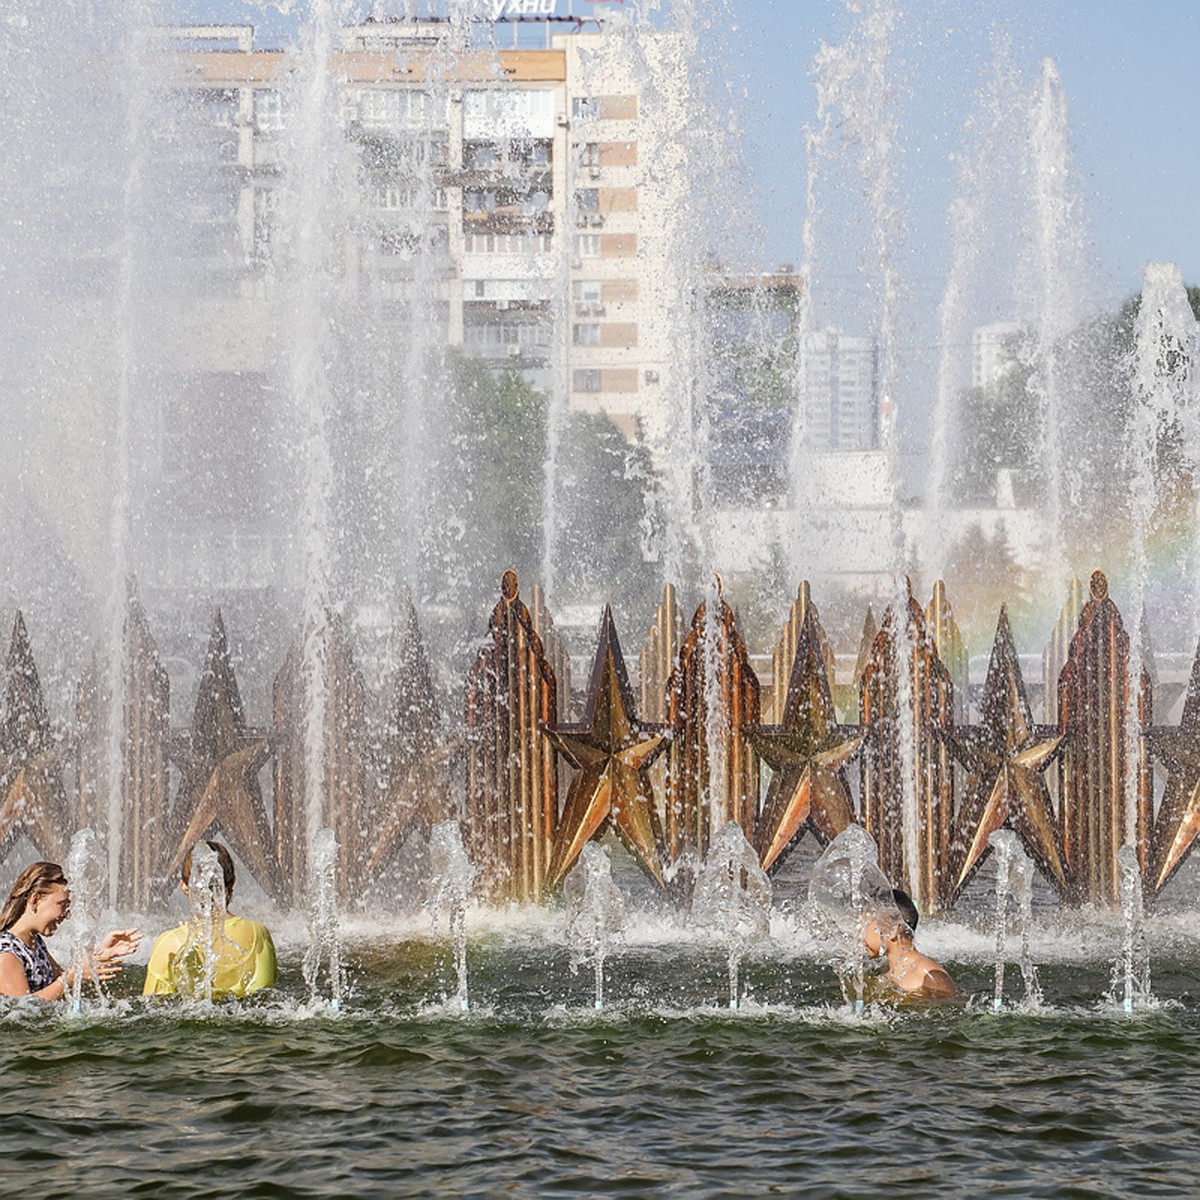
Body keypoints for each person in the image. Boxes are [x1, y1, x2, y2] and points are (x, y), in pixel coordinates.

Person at [143, 841, 277, 999]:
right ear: (230, 883)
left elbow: (151, 1006)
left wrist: (181, 935)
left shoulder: (169, 944)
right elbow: (264, 997)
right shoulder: (258, 933)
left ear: (184, 887)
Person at [0, 861, 141, 1000]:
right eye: (62, 904)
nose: (67, 915)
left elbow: (62, 983)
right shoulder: (7, 953)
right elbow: (21, 1011)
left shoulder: (33, 942)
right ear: (35, 899)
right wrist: (69, 979)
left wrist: (97, 956)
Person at [862, 888, 960, 1001]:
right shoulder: (886, 970)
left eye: (865, 926)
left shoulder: (929, 976)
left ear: (893, 930)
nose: (860, 935)